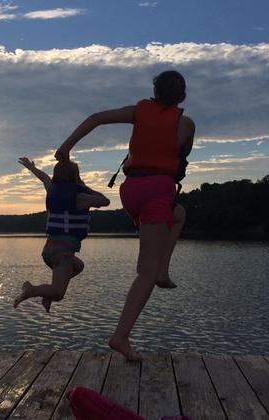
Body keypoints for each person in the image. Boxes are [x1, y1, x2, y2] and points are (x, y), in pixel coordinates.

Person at [55, 70, 196, 360]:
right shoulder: (186, 123)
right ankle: (120, 336)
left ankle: (163, 270)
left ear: (154, 91)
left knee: (179, 214)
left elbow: (95, 118)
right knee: (145, 271)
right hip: (157, 189)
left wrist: (65, 148)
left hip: (130, 190)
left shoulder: (137, 111)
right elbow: (180, 154)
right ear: (181, 96)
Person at [13, 157, 110, 312]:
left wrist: (32, 168)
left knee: (78, 266)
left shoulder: (52, 189)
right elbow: (105, 201)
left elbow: (44, 177)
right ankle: (31, 290)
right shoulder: (80, 197)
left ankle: (47, 294)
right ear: (75, 176)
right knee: (59, 293)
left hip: (50, 250)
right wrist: (84, 187)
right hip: (62, 254)